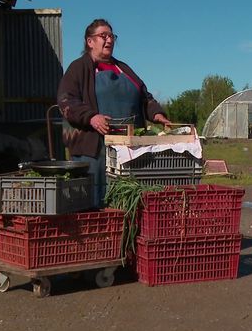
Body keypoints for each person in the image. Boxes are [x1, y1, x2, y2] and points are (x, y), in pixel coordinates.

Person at [57, 18, 170, 206]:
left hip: (128, 149)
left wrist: (157, 114)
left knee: (126, 201)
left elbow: (145, 96)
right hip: (93, 151)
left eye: (111, 36)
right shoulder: (78, 68)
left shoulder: (124, 68)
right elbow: (65, 101)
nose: (109, 39)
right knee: (94, 202)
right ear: (90, 41)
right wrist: (91, 117)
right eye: (103, 35)